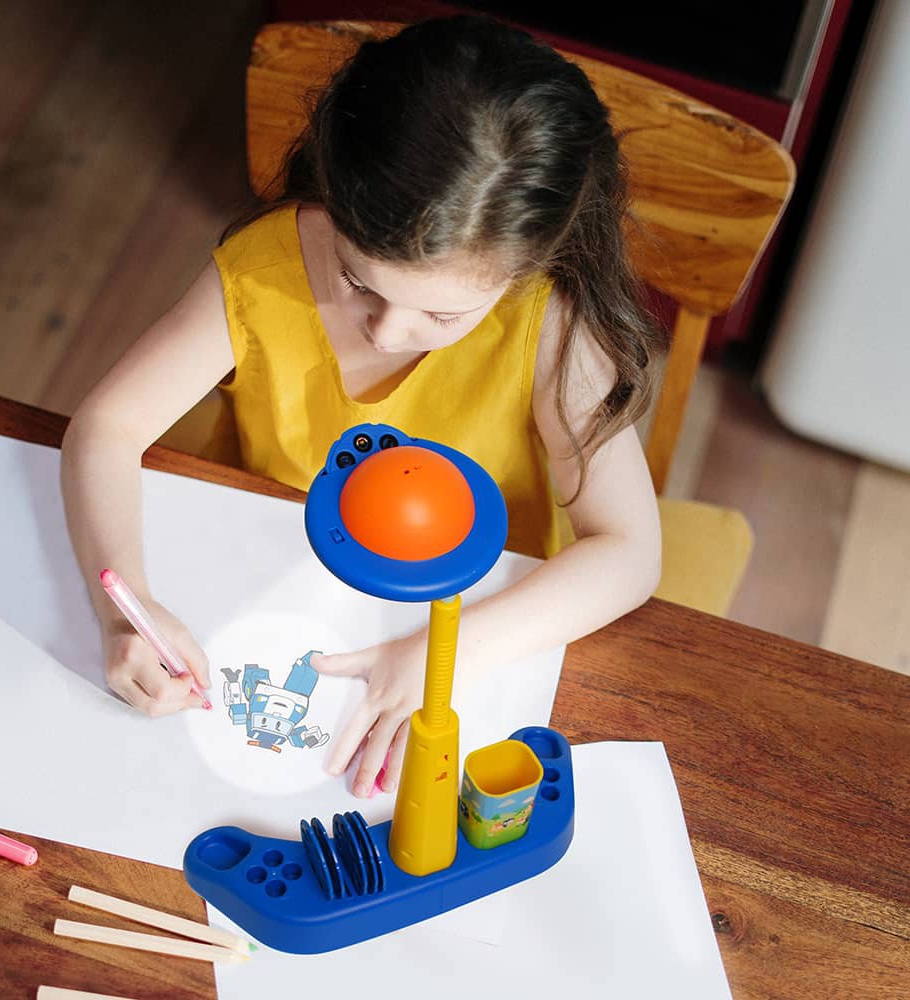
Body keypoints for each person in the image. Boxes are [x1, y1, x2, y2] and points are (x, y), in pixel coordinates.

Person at [60, 15, 664, 798]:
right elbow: (107, 427)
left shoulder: (551, 325)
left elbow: (629, 551)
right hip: (265, 578)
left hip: (482, 618)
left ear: (529, 265)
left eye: (441, 315)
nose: (386, 331)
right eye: (357, 281)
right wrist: (125, 609)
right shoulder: (265, 270)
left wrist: (448, 654)